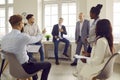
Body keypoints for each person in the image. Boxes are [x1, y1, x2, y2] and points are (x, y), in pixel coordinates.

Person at [1, 14, 51, 80]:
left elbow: (3, 56)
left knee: (33, 60)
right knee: (48, 64)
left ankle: (35, 78)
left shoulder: (4, 38)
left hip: (13, 70)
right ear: (20, 24)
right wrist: (42, 34)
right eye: (22, 22)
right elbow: (36, 39)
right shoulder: (22, 36)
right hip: (25, 69)